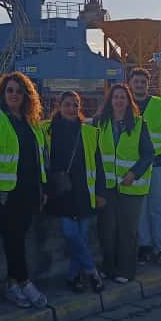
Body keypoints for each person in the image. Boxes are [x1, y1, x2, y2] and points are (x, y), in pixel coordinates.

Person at [0, 72, 49, 309]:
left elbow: (41, 158)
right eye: (9, 90)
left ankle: (12, 285)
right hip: (3, 194)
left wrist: (43, 188)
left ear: (27, 95)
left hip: (28, 192)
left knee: (18, 238)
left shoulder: (32, 123)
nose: (14, 95)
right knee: (13, 238)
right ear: (2, 93)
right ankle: (25, 282)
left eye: (19, 91)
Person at [43, 91, 106, 293]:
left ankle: (74, 276)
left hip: (84, 191)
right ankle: (92, 271)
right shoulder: (47, 130)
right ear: (59, 105)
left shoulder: (88, 132)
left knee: (82, 238)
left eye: (75, 105)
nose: (72, 109)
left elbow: (98, 163)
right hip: (61, 193)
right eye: (68, 104)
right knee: (71, 235)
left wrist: (100, 192)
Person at [94, 83, 154, 282]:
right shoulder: (99, 123)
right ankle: (108, 267)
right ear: (110, 101)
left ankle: (125, 271)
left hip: (131, 186)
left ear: (128, 102)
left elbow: (148, 154)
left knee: (127, 230)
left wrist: (134, 174)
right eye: (115, 97)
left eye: (122, 98)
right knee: (107, 229)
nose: (119, 101)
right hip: (107, 186)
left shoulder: (139, 123)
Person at [129, 68, 161, 266]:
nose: (140, 85)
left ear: (148, 84)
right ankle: (145, 246)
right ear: (130, 83)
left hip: (158, 164)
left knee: (159, 208)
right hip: (135, 167)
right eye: (136, 82)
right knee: (140, 210)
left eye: (143, 82)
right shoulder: (126, 105)